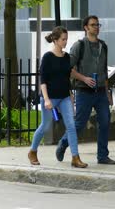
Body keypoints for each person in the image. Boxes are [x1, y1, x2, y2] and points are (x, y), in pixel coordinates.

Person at [55, 15, 115, 165]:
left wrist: (108, 92)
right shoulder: (79, 46)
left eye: (98, 25)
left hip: (101, 91)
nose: (96, 27)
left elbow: (104, 70)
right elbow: (68, 69)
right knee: (79, 124)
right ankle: (63, 143)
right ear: (86, 28)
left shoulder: (104, 46)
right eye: (93, 25)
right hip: (84, 91)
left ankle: (102, 156)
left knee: (105, 121)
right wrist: (83, 78)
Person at [28, 26, 87, 168]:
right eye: (63, 39)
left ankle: (75, 157)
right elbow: (43, 80)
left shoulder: (66, 57)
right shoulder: (48, 57)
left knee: (71, 126)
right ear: (55, 40)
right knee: (46, 126)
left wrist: (71, 93)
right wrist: (46, 99)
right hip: (50, 97)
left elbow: (68, 76)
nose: (65, 42)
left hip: (64, 97)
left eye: (66, 39)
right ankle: (32, 151)